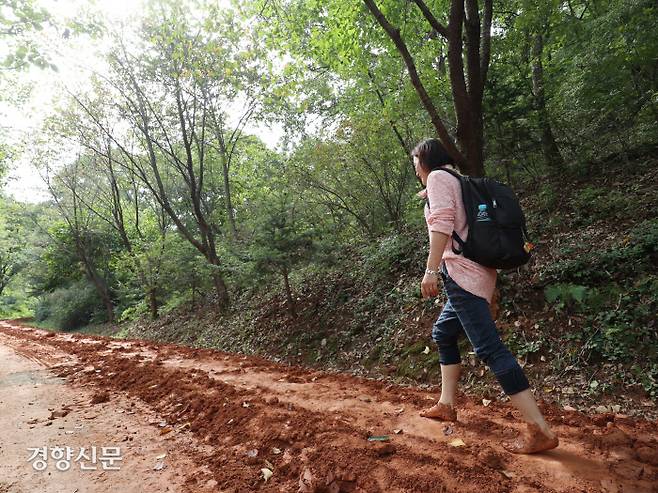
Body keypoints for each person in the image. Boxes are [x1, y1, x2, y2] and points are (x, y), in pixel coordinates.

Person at [413, 138, 558, 454]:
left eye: (415, 162)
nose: (415, 169)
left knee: (490, 348)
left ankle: (539, 429)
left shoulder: (438, 177)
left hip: (461, 275)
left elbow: (443, 224)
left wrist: (430, 270)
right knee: (443, 332)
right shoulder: (455, 179)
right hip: (473, 273)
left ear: (424, 160)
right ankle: (446, 404)